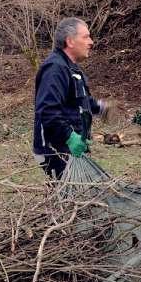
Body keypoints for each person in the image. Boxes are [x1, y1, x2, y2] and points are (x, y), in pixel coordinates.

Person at [33, 17, 108, 179]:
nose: (91, 42)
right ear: (70, 41)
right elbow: (47, 111)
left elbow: (79, 101)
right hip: (56, 150)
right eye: (85, 37)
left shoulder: (72, 69)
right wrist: (69, 137)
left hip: (71, 150)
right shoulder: (55, 68)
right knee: (68, 199)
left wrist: (100, 107)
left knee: (80, 197)